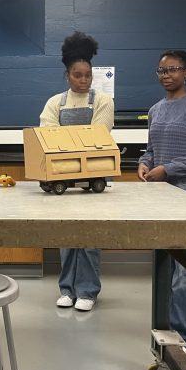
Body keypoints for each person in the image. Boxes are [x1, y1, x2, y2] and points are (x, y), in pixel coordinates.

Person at [138, 50, 186, 352]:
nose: (166, 75)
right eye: (160, 70)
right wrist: (145, 163)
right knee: (165, 267)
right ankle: (169, 331)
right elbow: (151, 150)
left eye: (172, 69)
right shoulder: (156, 109)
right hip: (161, 194)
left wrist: (168, 169)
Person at [40, 32, 114, 312]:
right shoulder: (55, 103)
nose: (83, 81)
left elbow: (99, 135)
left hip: (94, 174)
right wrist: (73, 142)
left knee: (90, 237)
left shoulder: (104, 102)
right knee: (67, 235)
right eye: (77, 75)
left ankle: (88, 290)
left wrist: (65, 140)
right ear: (67, 75)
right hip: (63, 176)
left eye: (87, 75)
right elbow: (47, 137)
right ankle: (67, 289)